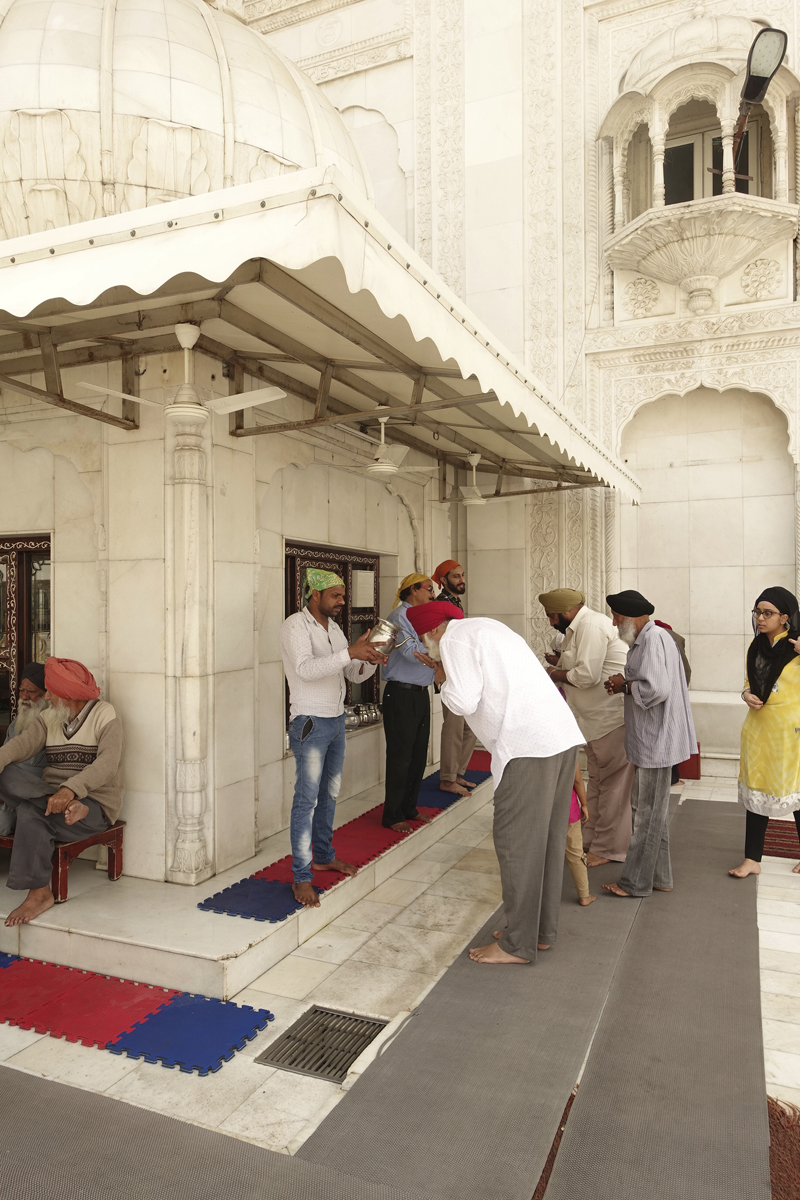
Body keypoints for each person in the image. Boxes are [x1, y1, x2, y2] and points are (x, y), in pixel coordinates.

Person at [405, 602, 584, 964]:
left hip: (528, 746)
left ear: (431, 633)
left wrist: (441, 677)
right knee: (547, 840)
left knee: (516, 842)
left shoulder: (453, 641)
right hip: (559, 739)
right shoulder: (484, 627)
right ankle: (538, 931)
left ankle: (517, 944)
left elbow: (461, 701)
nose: (426, 650)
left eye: (424, 643)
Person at [280, 569, 385, 909]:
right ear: (315, 595)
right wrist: (350, 653)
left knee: (330, 794)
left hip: (336, 720)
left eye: (343, 595)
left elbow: (351, 672)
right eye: (336, 595)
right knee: (306, 800)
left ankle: (324, 855)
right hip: (310, 722)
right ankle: (301, 876)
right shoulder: (295, 625)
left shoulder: (336, 629)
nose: (342, 601)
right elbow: (305, 669)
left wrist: (372, 657)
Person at [0, 657, 124, 926]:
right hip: (52, 795)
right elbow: (22, 745)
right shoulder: (49, 718)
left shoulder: (106, 715)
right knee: (7, 773)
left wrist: (71, 791)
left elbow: (107, 764)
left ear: (69, 695)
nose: (49, 698)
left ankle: (40, 894)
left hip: (94, 803)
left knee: (28, 812)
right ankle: (57, 805)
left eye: (52, 693)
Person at [602, 590, 697, 899]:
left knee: (645, 814)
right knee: (652, 812)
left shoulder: (654, 639)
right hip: (653, 740)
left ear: (632, 617)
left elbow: (656, 689)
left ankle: (635, 883)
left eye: (617, 617)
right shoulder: (649, 638)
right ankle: (661, 876)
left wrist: (624, 685)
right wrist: (626, 685)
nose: (614, 622)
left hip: (657, 741)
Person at [539, 588, 634, 868]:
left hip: (610, 720)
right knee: (598, 783)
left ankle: (610, 849)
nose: (550, 621)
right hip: (593, 722)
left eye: (551, 616)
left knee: (615, 789)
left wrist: (552, 674)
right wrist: (561, 665)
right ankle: (591, 840)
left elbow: (586, 676)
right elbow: (581, 665)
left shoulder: (590, 625)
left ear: (566, 612)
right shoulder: (580, 628)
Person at [729, 587, 800, 879]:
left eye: (767, 613)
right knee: (756, 788)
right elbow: (749, 680)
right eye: (758, 612)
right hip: (758, 728)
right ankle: (752, 859)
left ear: (785, 617)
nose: (760, 618)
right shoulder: (756, 647)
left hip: (790, 731)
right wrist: (746, 693)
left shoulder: (796, 647)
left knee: (797, 790)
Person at [381, 573, 437, 832]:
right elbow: (412, 653)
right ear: (413, 590)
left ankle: (409, 807)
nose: (432, 594)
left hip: (419, 692)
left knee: (417, 754)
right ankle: (392, 815)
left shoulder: (419, 617)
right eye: (428, 589)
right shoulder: (399, 616)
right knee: (400, 756)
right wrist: (439, 654)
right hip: (400, 694)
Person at [432, 559, 477, 798]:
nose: (461, 580)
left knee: (469, 725)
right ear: (443, 581)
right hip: (450, 672)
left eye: (462, 575)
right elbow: (436, 641)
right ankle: (448, 778)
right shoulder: (440, 604)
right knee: (454, 726)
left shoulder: (454, 602)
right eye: (456, 576)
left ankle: (458, 773)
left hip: (463, 671)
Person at [0, 663, 49, 836]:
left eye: (31, 691)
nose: (24, 696)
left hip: (36, 799)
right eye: (21, 690)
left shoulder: (53, 725)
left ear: (46, 694)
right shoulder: (15, 725)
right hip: (8, 795)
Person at [565, 762, 595, 907]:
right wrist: (584, 803)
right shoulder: (569, 744)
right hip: (568, 810)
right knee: (576, 853)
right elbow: (577, 780)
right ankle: (584, 895)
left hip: (541, 811)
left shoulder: (532, 746)